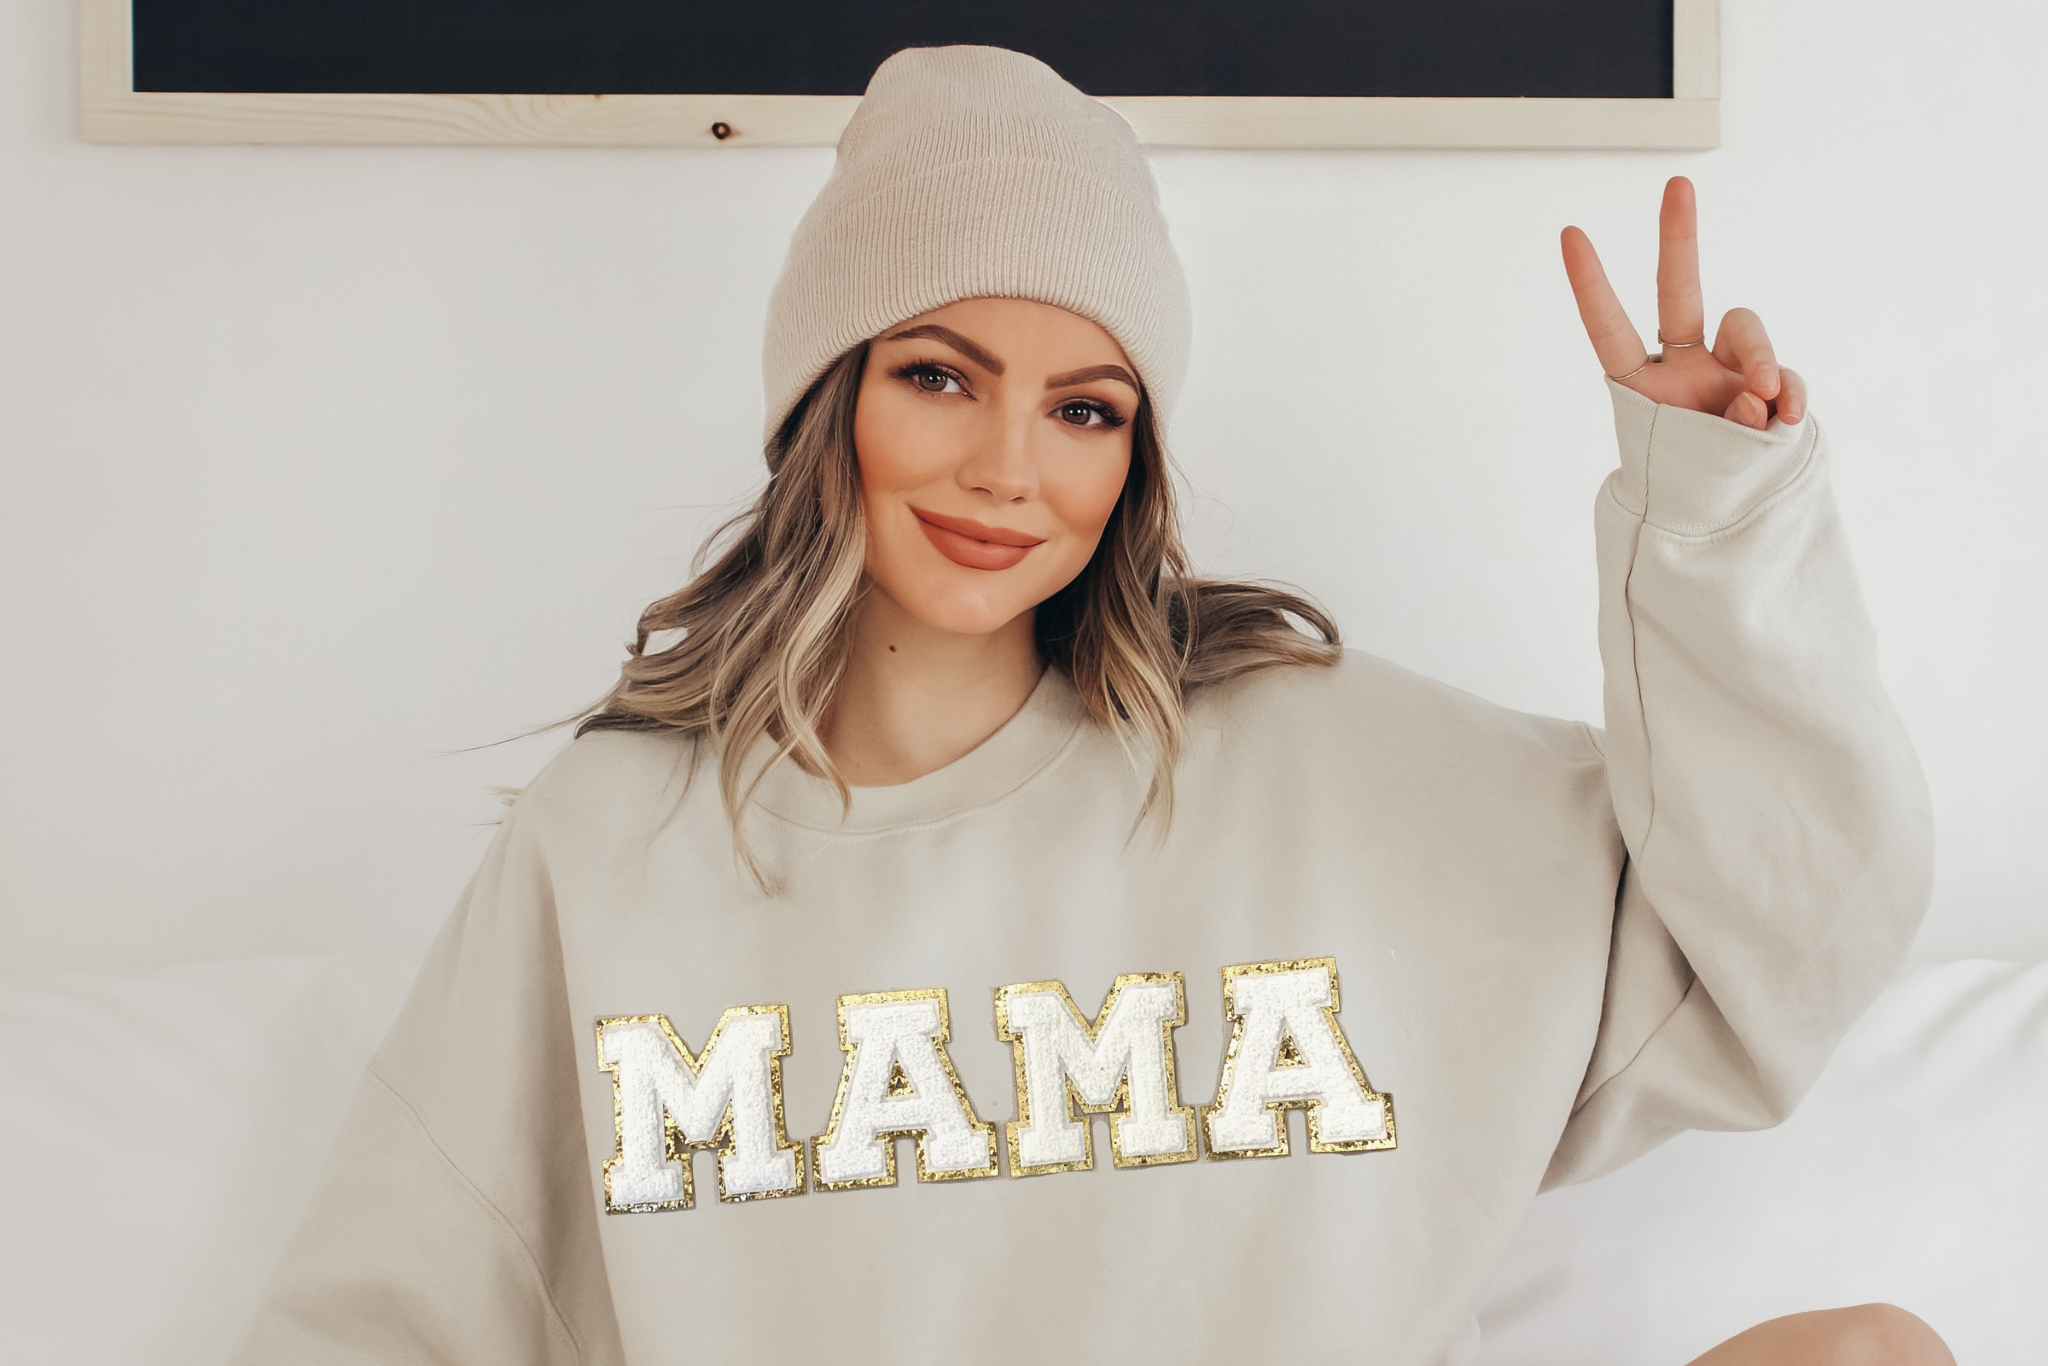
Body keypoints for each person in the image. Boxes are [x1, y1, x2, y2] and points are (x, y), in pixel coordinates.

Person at [231, 45, 1952, 1366]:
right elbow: (379, 1316)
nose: (1006, 467)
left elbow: (1784, 950)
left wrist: (1716, 514)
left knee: (1877, 1354)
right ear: (826, 401)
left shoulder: (1324, 759)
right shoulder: (615, 846)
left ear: (1135, 452)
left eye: (1085, 408)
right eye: (936, 377)